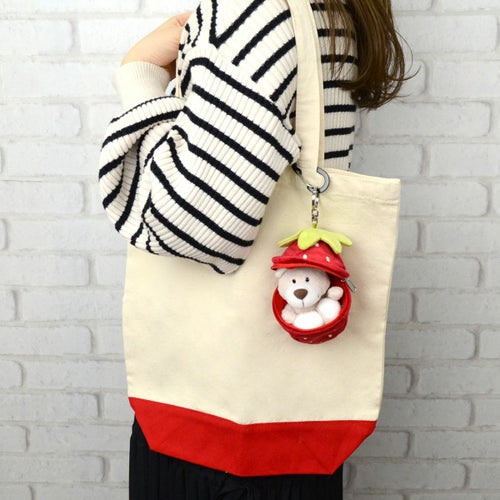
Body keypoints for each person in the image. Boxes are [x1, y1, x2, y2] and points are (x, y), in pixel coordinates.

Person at [99, 0, 406, 498]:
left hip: (215, 441)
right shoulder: (327, 9)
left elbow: (186, 225)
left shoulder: (253, 12)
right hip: (286, 424)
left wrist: (139, 74)